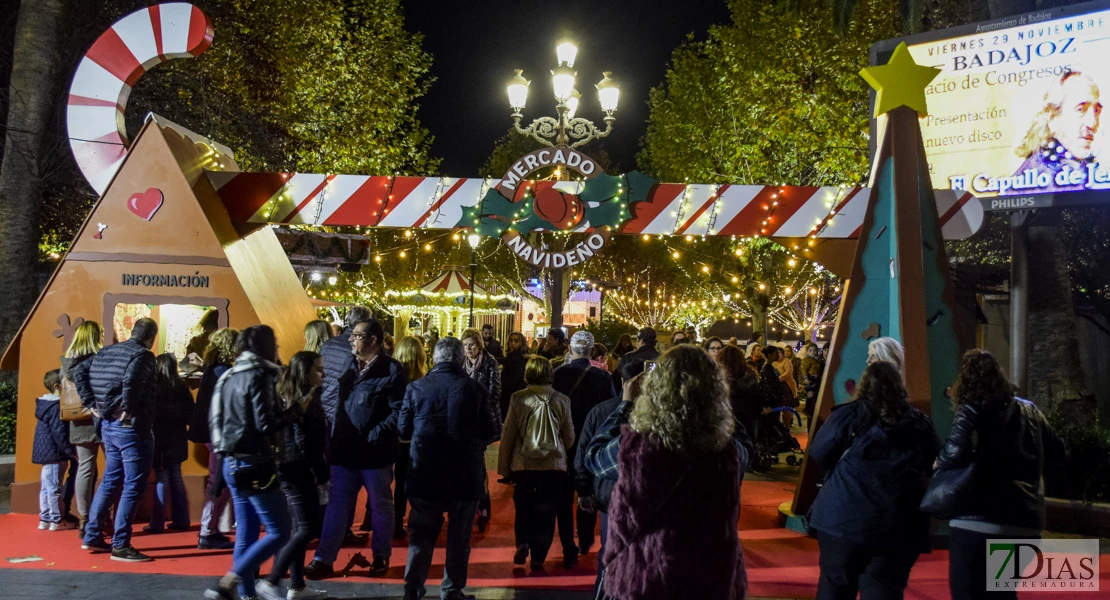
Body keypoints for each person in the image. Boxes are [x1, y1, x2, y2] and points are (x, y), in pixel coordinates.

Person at [585, 345, 749, 599]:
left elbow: (594, 455)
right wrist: (711, 404)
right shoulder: (727, 452)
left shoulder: (638, 449)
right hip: (708, 578)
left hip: (646, 576)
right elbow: (744, 446)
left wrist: (626, 405)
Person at [940, 350, 1068, 600]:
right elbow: (1060, 452)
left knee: (969, 593)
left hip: (977, 523)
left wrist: (938, 462)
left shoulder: (971, 409)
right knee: (1003, 594)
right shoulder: (1030, 411)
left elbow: (953, 453)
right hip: (1024, 524)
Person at [807, 361, 939, 600]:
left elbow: (819, 453)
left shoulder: (848, 415)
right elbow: (930, 462)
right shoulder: (920, 423)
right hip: (900, 524)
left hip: (843, 519)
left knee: (835, 586)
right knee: (884, 589)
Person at [306, 318, 406, 579]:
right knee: (337, 505)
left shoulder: (392, 370)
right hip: (344, 450)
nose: (351, 339)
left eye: (357, 335)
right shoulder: (349, 365)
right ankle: (324, 558)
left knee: (380, 505)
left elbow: (399, 411)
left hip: (375, 454)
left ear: (373, 340)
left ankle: (381, 556)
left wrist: (374, 434)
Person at [399, 337, 497, 600]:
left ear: (434, 358)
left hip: (425, 471)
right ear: (459, 359)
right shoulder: (475, 389)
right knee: (459, 536)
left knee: (421, 534)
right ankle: (452, 588)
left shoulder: (416, 388)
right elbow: (491, 429)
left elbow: (403, 429)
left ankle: (413, 587)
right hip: (464, 472)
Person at [204, 326, 291, 600]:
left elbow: (216, 420)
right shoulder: (262, 375)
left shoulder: (228, 376)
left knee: (247, 532)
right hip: (255, 459)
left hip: (231, 460)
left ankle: (246, 595)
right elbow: (265, 423)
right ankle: (229, 581)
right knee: (280, 530)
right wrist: (291, 413)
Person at [81, 318, 159, 562]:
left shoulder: (106, 351)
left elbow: (79, 371)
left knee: (110, 481)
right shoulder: (143, 355)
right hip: (131, 428)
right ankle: (121, 545)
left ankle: (92, 534)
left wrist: (91, 403)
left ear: (133, 332)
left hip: (107, 425)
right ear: (151, 338)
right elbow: (133, 380)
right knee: (133, 485)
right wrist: (129, 406)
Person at [258, 351, 330, 600]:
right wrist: (322, 475)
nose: (324, 373)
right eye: (319, 369)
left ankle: (296, 586)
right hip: (296, 470)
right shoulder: (302, 401)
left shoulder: (294, 395)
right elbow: (305, 443)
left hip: (290, 469)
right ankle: (273, 579)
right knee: (307, 529)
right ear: (306, 371)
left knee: (300, 527)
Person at [574, 359, 646, 597]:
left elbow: (587, 451)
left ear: (624, 383)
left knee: (611, 550)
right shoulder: (662, 414)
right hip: (640, 494)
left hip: (610, 492)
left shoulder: (604, 410)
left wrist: (583, 489)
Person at [499, 356, 575, 570]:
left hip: (524, 465)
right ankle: (539, 557)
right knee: (546, 511)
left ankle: (523, 542)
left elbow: (508, 435)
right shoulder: (562, 399)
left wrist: (505, 467)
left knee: (523, 506)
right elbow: (569, 437)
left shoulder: (518, 398)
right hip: (553, 467)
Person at [553, 331, 616, 564]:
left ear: (570, 350)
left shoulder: (559, 373)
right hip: (591, 438)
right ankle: (586, 538)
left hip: (563, 438)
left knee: (564, 493)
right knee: (586, 490)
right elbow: (610, 407)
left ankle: (568, 542)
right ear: (591, 352)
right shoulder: (602, 377)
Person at [320, 306, 372, 543]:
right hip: (344, 417)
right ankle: (343, 530)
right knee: (347, 481)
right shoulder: (358, 350)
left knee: (330, 477)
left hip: (325, 413)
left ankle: (327, 526)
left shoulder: (329, 345)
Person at [1012, 71, 1103, 193]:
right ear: (1052, 117)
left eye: (1096, 111)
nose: (1092, 123)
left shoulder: (1081, 166)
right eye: (1080, 109)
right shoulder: (1035, 181)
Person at [190, 327, 239, 550]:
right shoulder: (223, 372)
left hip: (212, 433)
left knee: (219, 481)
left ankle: (211, 530)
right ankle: (208, 531)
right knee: (218, 482)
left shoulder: (212, 369)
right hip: (220, 434)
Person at [61, 320, 104, 537]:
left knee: (85, 468)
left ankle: (84, 518)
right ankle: (103, 515)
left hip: (78, 419)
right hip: (102, 416)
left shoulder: (67, 363)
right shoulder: (100, 359)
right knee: (114, 467)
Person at [145, 353, 194, 534]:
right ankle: (182, 519)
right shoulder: (182, 386)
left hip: (159, 438)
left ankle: (157, 522)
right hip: (178, 437)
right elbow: (191, 413)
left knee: (161, 478)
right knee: (176, 477)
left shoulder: (153, 388)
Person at [460, 328, 502, 532]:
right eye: (465, 345)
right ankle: (473, 503)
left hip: (481, 419)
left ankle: (483, 505)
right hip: (463, 420)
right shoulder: (461, 363)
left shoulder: (490, 363)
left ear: (479, 345)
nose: (468, 349)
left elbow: (495, 392)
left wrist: (475, 405)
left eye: (472, 345)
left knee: (479, 463)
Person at [392, 336, 429, 537]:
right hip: (416, 437)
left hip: (396, 435)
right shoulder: (422, 381)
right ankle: (417, 519)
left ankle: (396, 521)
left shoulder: (393, 377)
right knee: (415, 480)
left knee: (397, 481)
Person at [34, 370, 76, 531]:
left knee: (46, 486)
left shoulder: (44, 405)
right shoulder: (56, 407)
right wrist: (70, 451)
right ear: (58, 386)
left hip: (46, 453)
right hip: (55, 453)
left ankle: (45, 518)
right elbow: (60, 433)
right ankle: (57, 520)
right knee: (54, 488)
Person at [717, 345, 763, 441]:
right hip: (748, 422)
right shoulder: (750, 379)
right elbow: (758, 403)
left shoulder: (718, 381)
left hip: (725, 425)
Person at [499, 332, 530, 419]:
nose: (513, 343)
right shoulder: (511, 357)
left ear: (521, 343)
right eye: (511, 341)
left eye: (516, 341)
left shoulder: (516, 358)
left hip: (511, 394)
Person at [772, 344, 799, 426]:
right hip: (777, 387)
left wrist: (777, 379)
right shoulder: (774, 362)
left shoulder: (786, 361)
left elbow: (788, 373)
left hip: (786, 387)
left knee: (786, 407)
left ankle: (787, 424)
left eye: (779, 353)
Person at [800, 342, 824, 417]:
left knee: (814, 395)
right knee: (811, 395)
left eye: (814, 350)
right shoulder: (806, 360)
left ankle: (811, 410)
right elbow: (803, 370)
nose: (813, 352)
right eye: (810, 350)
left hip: (816, 379)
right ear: (807, 351)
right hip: (811, 379)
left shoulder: (817, 360)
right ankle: (808, 409)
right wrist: (806, 378)